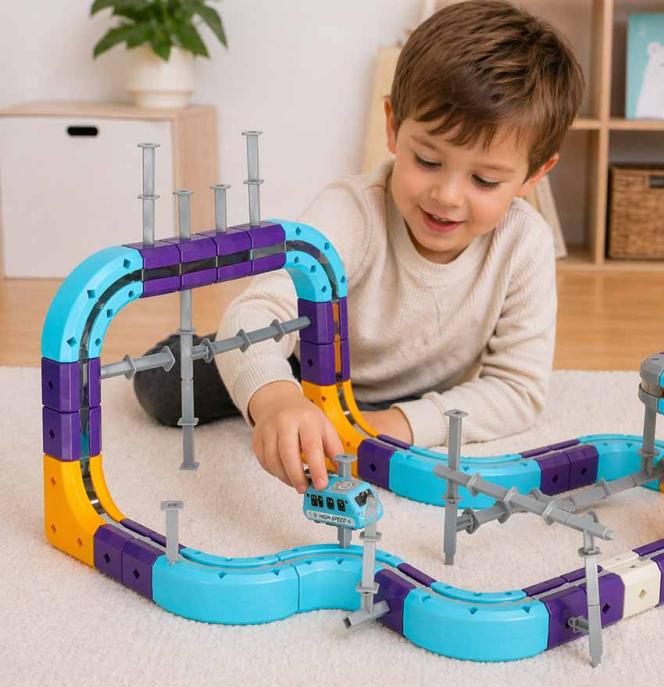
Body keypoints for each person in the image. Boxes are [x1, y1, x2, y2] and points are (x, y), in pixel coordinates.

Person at [134, 0, 584, 496]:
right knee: (165, 387)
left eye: (485, 180)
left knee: (440, 412)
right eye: (428, 160)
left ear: (535, 173)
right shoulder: (351, 210)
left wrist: (396, 424)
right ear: (393, 125)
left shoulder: (525, 243)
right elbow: (257, 310)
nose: (448, 196)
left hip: (414, 389)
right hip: (302, 364)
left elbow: (517, 389)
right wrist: (277, 399)